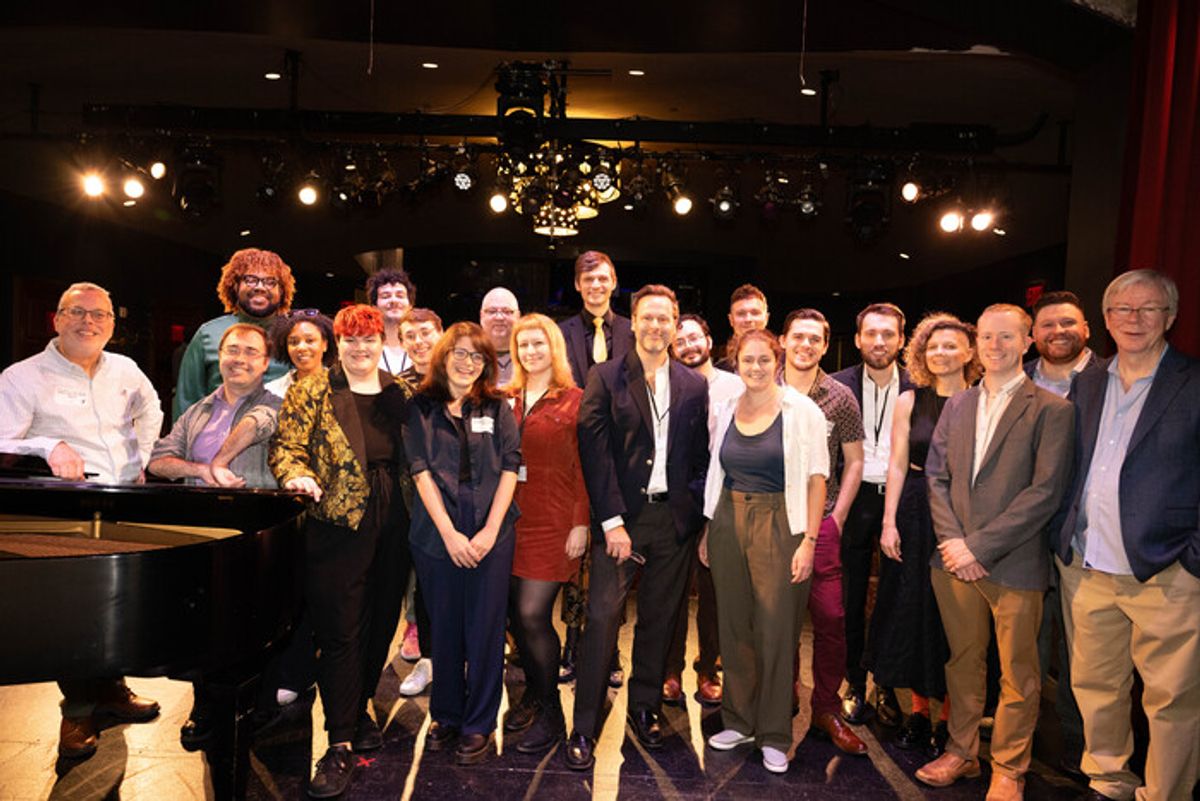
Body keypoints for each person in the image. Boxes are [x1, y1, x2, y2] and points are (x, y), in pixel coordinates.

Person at [917, 304, 1074, 801]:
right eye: (987, 337)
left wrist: (977, 546)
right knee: (962, 662)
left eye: (1007, 337)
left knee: (1019, 674)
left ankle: (1009, 768)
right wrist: (954, 544)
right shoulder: (959, 403)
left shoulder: (1053, 409)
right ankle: (961, 753)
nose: (995, 346)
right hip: (953, 560)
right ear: (977, 343)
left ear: (1027, 341)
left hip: (1015, 562)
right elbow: (935, 477)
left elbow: (1046, 492)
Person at [0, 281, 163, 758]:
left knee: (113, 602)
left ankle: (111, 691)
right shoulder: (21, 377)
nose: (88, 322)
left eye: (99, 315)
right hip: (63, 513)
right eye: (77, 312)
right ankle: (76, 712)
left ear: (112, 325)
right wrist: (48, 445)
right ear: (56, 319)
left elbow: (150, 410)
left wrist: (144, 458)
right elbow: (2, 440)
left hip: (121, 502)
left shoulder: (127, 370)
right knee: (71, 611)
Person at [1054, 269, 1200, 801]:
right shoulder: (1088, 381)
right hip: (1089, 566)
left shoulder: (1193, 381)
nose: (1134, 320)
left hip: (1167, 571)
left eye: (1148, 309)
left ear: (1171, 317)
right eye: (1122, 309)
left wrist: (1192, 560)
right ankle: (1110, 779)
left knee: (1172, 699)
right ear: (1107, 319)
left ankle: (1166, 793)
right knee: (1096, 689)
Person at [269, 304, 415, 798]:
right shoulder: (313, 388)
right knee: (340, 629)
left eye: (369, 339)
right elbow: (286, 447)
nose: (360, 348)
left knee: (381, 621)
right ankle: (340, 741)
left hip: (396, 515)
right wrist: (295, 473)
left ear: (380, 341)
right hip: (336, 521)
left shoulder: (400, 391)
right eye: (351, 340)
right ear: (339, 344)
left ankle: (357, 707)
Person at [564, 284, 709, 771]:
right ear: (635, 321)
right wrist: (611, 522)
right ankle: (584, 724)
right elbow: (594, 452)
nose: (655, 326)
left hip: (673, 522)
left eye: (664, 319)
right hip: (620, 520)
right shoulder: (605, 377)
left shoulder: (694, 384)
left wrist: (691, 510)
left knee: (661, 619)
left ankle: (645, 707)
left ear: (674, 323)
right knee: (603, 619)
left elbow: (699, 456)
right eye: (647, 318)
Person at [699, 329, 828, 774]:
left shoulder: (802, 411)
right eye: (747, 361)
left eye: (763, 360)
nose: (755, 368)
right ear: (736, 363)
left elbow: (817, 479)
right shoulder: (726, 405)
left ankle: (774, 733)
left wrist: (809, 542)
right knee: (734, 627)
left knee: (776, 632)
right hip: (728, 520)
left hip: (781, 525)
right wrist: (709, 528)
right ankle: (739, 721)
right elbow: (718, 472)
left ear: (778, 361)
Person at [148, 322, 281, 744]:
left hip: (253, 533)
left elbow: (258, 424)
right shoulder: (198, 410)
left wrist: (221, 458)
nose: (239, 359)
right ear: (219, 357)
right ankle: (202, 705)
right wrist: (202, 471)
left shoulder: (277, 403)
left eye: (250, 353)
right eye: (232, 350)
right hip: (199, 534)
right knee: (201, 627)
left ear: (264, 363)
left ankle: (255, 707)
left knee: (251, 626)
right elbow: (159, 460)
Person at [403, 322, 521, 766]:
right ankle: (447, 714)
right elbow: (420, 472)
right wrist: (451, 535)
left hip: (492, 528)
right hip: (437, 533)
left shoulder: (497, 405)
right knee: (446, 626)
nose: (468, 363)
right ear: (443, 356)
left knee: (487, 630)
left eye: (477, 356)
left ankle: (478, 723)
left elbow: (511, 466)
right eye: (461, 353)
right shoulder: (420, 407)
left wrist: (490, 531)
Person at [865, 313, 980, 756]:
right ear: (921, 353)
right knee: (911, 610)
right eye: (933, 346)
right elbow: (896, 462)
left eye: (951, 346)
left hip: (963, 516)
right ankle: (916, 710)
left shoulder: (981, 400)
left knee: (954, 618)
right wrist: (888, 520)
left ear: (970, 352)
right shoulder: (909, 401)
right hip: (914, 511)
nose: (941, 353)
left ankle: (949, 718)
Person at [779, 309, 867, 755]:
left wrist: (839, 516)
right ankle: (784, 696)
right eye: (799, 336)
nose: (806, 345)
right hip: (773, 521)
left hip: (822, 521)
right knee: (779, 619)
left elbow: (854, 460)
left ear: (825, 344)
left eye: (815, 339)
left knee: (831, 619)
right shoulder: (762, 386)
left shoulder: (840, 397)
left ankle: (826, 708)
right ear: (783, 339)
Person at [501, 313, 589, 754]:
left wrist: (580, 522)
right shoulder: (506, 398)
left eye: (538, 344)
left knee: (534, 615)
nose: (530, 352)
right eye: (523, 345)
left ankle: (552, 710)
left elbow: (586, 466)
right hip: (508, 522)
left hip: (555, 523)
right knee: (516, 617)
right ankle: (534, 695)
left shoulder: (575, 400)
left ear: (553, 348)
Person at [1025, 289, 1100, 777]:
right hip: (1025, 534)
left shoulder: (1110, 379)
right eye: (1047, 325)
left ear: (1088, 328)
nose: (1057, 332)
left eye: (1067, 323)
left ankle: (1078, 744)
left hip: (1083, 535)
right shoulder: (1015, 380)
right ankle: (1021, 735)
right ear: (1033, 335)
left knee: (1084, 653)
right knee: (1025, 641)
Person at [830, 302, 914, 726]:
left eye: (889, 334)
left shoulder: (921, 386)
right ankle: (853, 681)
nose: (879, 342)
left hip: (904, 501)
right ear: (858, 338)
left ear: (902, 339)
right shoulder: (836, 386)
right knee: (849, 595)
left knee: (898, 597)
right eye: (872, 334)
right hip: (853, 497)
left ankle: (889, 682)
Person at [557, 249, 633, 682]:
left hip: (619, 458)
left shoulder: (632, 329)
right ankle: (571, 643)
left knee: (611, 561)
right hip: (572, 454)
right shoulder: (561, 332)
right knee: (575, 558)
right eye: (588, 280)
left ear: (613, 281)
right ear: (578, 285)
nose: (596, 286)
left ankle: (610, 652)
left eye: (603, 279)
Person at [662, 313, 742, 707]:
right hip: (681, 497)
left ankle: (708, 668)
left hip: (724, 497)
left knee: (714, 593)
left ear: (710, 341)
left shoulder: (735, 385)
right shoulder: (666, 384)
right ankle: (670, 669)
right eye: (681, 341)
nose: (689, 345)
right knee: (672, 589)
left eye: (695, 337)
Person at [173, 248, 293, 420]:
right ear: (235, 286)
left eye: (270, 281)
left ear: (282, 291)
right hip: (220, 441)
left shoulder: (296, 336)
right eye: (250, 280)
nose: (260, 287)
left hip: (285, 441)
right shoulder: (208, 333)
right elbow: (187, 400)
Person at [393, 307, 442, 693]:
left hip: (458, 499)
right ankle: (427, 659)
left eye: (425, 333)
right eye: (410, 335)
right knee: (422, 582)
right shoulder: (395, 387)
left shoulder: (461, 377)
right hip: (409, 498)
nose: (419, 341)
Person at [265, 309, 336, 398]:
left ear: (325, 344)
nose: (301, 348)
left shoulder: (344, 389)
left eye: (309, 341)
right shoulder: (271, 391)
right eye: (294, 342)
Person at [367, 267, 417, 376]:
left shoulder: (421, 347)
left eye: (400, 296)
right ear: (374, 307)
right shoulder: (366, 349)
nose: (394, 300)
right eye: (386, 296)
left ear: (410, 305)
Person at [715, 283, 770, 372]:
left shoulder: (783, 366)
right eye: (741, 314)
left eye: (755, 313)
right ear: (731, 320)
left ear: (766, 318)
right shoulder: (720, 372)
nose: (748, 319)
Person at [480, 287, 520, 384]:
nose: (499, 317)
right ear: (481, 316)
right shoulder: (470, 354)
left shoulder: (530, 354)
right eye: (492, 311)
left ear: (518, 316)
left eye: (506, 311)